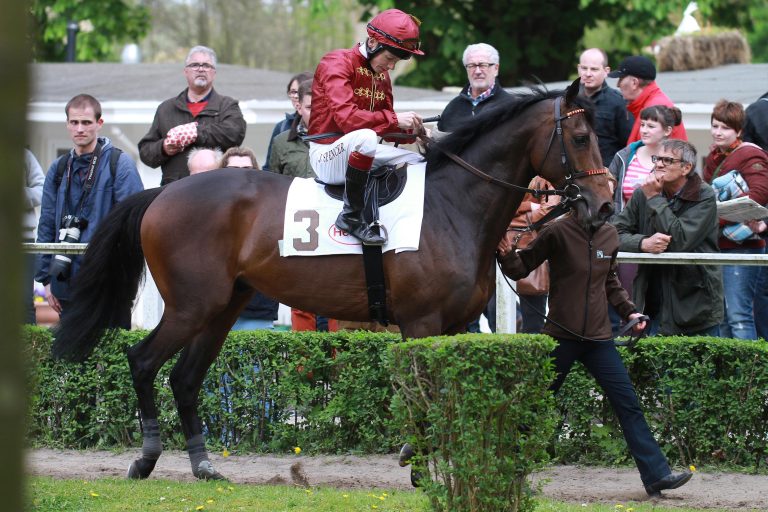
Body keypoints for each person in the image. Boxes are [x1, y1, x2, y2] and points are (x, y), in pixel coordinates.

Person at [497, 191, 693, 497]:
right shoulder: (556, 231)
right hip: (560, 337)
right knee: (534, 405)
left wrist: (630, 311)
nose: (605, 207)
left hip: (600, 339)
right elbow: (520, 269)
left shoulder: (609, 234)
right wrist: (507, 253)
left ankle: (657, 476)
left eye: (607, 202)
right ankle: (506, 474)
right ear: (578, 203)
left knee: (628, 404)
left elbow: (610, 281)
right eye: (599, 202)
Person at [308, 8, 426, 245]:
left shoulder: (382, 76)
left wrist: (415, 132)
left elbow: (387, 126)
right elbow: (348, 120)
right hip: (326, 154)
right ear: (372, 42)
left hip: (359, 150)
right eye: (390, 59)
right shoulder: (336, 61)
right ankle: (351, 217)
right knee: (365, 138)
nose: (391, 67)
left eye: (397, 61)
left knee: (417, 163)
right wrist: (394, 119)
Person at [35, 94, 144, 322]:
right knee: (72, 355)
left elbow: (135, 225)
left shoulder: (119, 165)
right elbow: (46, 223)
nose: (80, 128)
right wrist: (46, 279)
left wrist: (127, 283)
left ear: (99, 124)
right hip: (67, 280)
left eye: (86, 122)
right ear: (67, 125)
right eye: (74, 122)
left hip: (108, 283)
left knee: (110, 354)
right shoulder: (58, 168)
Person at [613, 139, 723, 336]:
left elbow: (680, 240)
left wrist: (654, 199)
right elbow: (614, 234)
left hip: (694, 304)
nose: (659, 164)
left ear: (686, 168)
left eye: (667, 160)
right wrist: (642, 243)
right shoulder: (642, 193)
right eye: (657, 158)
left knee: (700, 366)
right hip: (653, 301)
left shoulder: (703, 194)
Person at [702, 100, 768, 340]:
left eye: (725, 128)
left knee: (739, 316)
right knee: (722, 317)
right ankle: (728, 376)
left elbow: (759, 194)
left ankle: (748, 377)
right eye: (715, 126)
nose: (718, 132)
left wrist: (715, 218)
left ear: (739, 131)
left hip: (744, 247)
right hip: (720, 245)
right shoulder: (713, 156)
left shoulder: (750, 154)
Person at [138, 45, 246, 185]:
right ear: (185, 71)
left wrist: (196, 132)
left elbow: (235, 134)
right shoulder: (166, 109)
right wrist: (164, 147)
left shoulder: (227, 106)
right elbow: (146, 152)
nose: (200, 69)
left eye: (206, 65)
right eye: (195, 65)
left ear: (214, 72)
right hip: (174, 191)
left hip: (217, 190)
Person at [217, 148, 280, 331]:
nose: (241, 174)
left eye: (247, 168)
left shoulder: (272, 209)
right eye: (233, 170)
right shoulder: (207, 211)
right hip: (216, 312)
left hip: (258, 311)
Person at [499, 176, 560, 333]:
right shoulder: (512, 171)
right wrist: (529, 206)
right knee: (497, 317)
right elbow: (498, 207)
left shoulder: (546, 179)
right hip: (501, 247)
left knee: (533, 323)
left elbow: (548, 214)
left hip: (530, 253)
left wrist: (511, 219)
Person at [609, 105, 683, 214]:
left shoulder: (678, 160)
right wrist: (609, 181)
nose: (644, 130)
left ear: (667, 131)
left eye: (651, 126)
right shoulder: (624, 156)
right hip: (624, 226)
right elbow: (608, 187)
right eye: (642, 125)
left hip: (661, 226)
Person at [608, 55, 687, 144]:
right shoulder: (652, 103)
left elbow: (644, 156)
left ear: (634, 82)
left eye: (621, 79)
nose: (618, 85)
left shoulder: (654, 109)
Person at [577, 48, 634, 166]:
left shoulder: (619, 102)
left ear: (606, 71)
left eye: (594, 69)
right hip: (573, 171)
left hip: (606, 172)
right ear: (578, 68)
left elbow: (628, 144)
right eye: (584, 68)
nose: (588, 74)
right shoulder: (567, 98)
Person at [437, 43, 510, 132]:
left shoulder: (510, 106)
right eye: (472, 66)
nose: (477, 71)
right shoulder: (453, 107)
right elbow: (440, 143)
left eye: (483, 65)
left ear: (496, 69)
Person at [262, 71, 313, 171]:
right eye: (293, 92)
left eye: (300, 92)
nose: (295, 96)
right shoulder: (281, 128)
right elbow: (269, 169)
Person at [24, 149, 45, 324]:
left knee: (23, 302)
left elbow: (42, 189)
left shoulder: (23, 155)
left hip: (21, 241)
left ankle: (29, 350)